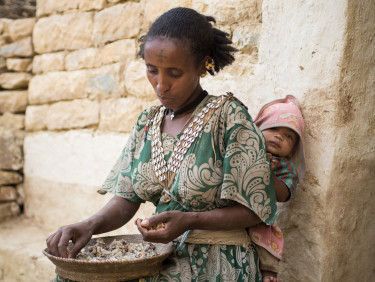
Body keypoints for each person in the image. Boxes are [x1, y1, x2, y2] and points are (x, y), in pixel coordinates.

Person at [46, 7, 278, 282]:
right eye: (152, 70)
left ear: (203, 64)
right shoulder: (147, 122)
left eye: (174, 74)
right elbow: (126, 197)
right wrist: (89, 225)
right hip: (160, 255)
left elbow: (255, 209)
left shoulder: (228, 117)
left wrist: (191, 221)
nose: (161, 85)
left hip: (216, 262)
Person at [248, 95, 306, 282]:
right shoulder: (246, 152)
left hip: (259, 217)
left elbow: (283, 195)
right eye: (273, 128)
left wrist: (269, 175)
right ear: (258, 130)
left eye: (288, 136)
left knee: (268, 244)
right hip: (231, 210)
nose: (279, 136)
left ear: (292, 150)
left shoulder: (285, 167)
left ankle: (269, 275)